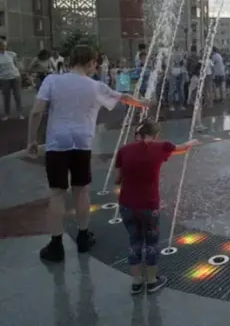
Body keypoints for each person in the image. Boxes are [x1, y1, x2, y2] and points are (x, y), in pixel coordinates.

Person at [26, 45, 151, 263]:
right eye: (95, 63)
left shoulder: (52, 81)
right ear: (91, 62)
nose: (96, 67)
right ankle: (83, 236)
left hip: (57, 142)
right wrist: (142, 104)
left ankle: (56, 245)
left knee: (57, 193)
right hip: (82, 142)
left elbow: (37, 111)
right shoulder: (95, 86)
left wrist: (32, 140)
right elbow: (123, 97)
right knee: (81, 190)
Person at [114, 118, 198, 294]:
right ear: (156, 135)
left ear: (137, 134)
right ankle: (152, 281)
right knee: (151, 242)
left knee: (134, 241)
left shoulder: (123, 150)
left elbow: (117, 179)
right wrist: (191, 143)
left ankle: (136, 282)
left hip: (127, 204)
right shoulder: (161, 147)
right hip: (149, 204)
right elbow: (181, 148)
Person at [0, 38, 23, 121]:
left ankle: (20, 113)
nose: (4, 47)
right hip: (4, 78)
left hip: (15, 77)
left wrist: (19, 71)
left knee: (17, 96)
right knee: (6, 96)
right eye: (2, 46)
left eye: (5, 46)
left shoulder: (11, 54)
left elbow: (17, 64)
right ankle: (7, 114)